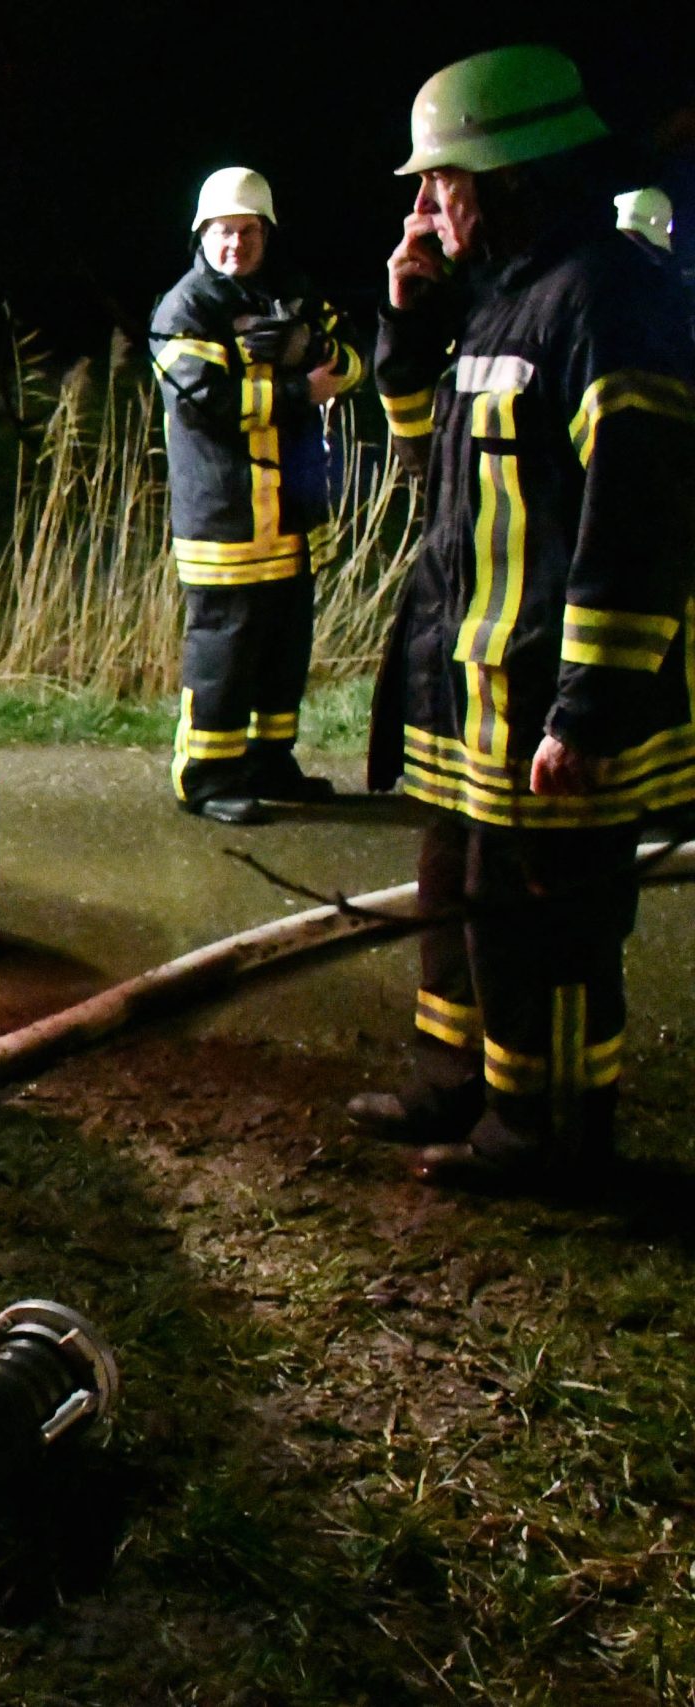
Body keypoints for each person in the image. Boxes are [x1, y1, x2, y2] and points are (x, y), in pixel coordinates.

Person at [351, 45, 695, 1188]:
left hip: (547, 700)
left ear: (505, 176)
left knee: (547, 926)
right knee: (456, 892)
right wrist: (407, 318)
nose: (423, 206)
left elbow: (635, 523)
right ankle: (456, 1083)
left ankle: (547, 1130)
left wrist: (587, 709)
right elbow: (420, 455)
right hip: (476, 694)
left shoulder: (608, 299)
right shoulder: (509, 295)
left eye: (440, 181)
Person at [150, 168, 367, 824]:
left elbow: (355, 364)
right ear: (202, 235)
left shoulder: (292, 294)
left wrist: (315, 345)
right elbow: (202, 400)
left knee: (283, 645)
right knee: (223, 646)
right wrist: (300, 390)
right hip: (225, 517)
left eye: (247, 230)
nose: (235, 244)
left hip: (292, 518)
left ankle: (271, 761)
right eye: (222, 231)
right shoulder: (183, 309)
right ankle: (206, 775)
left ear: (265, 233)